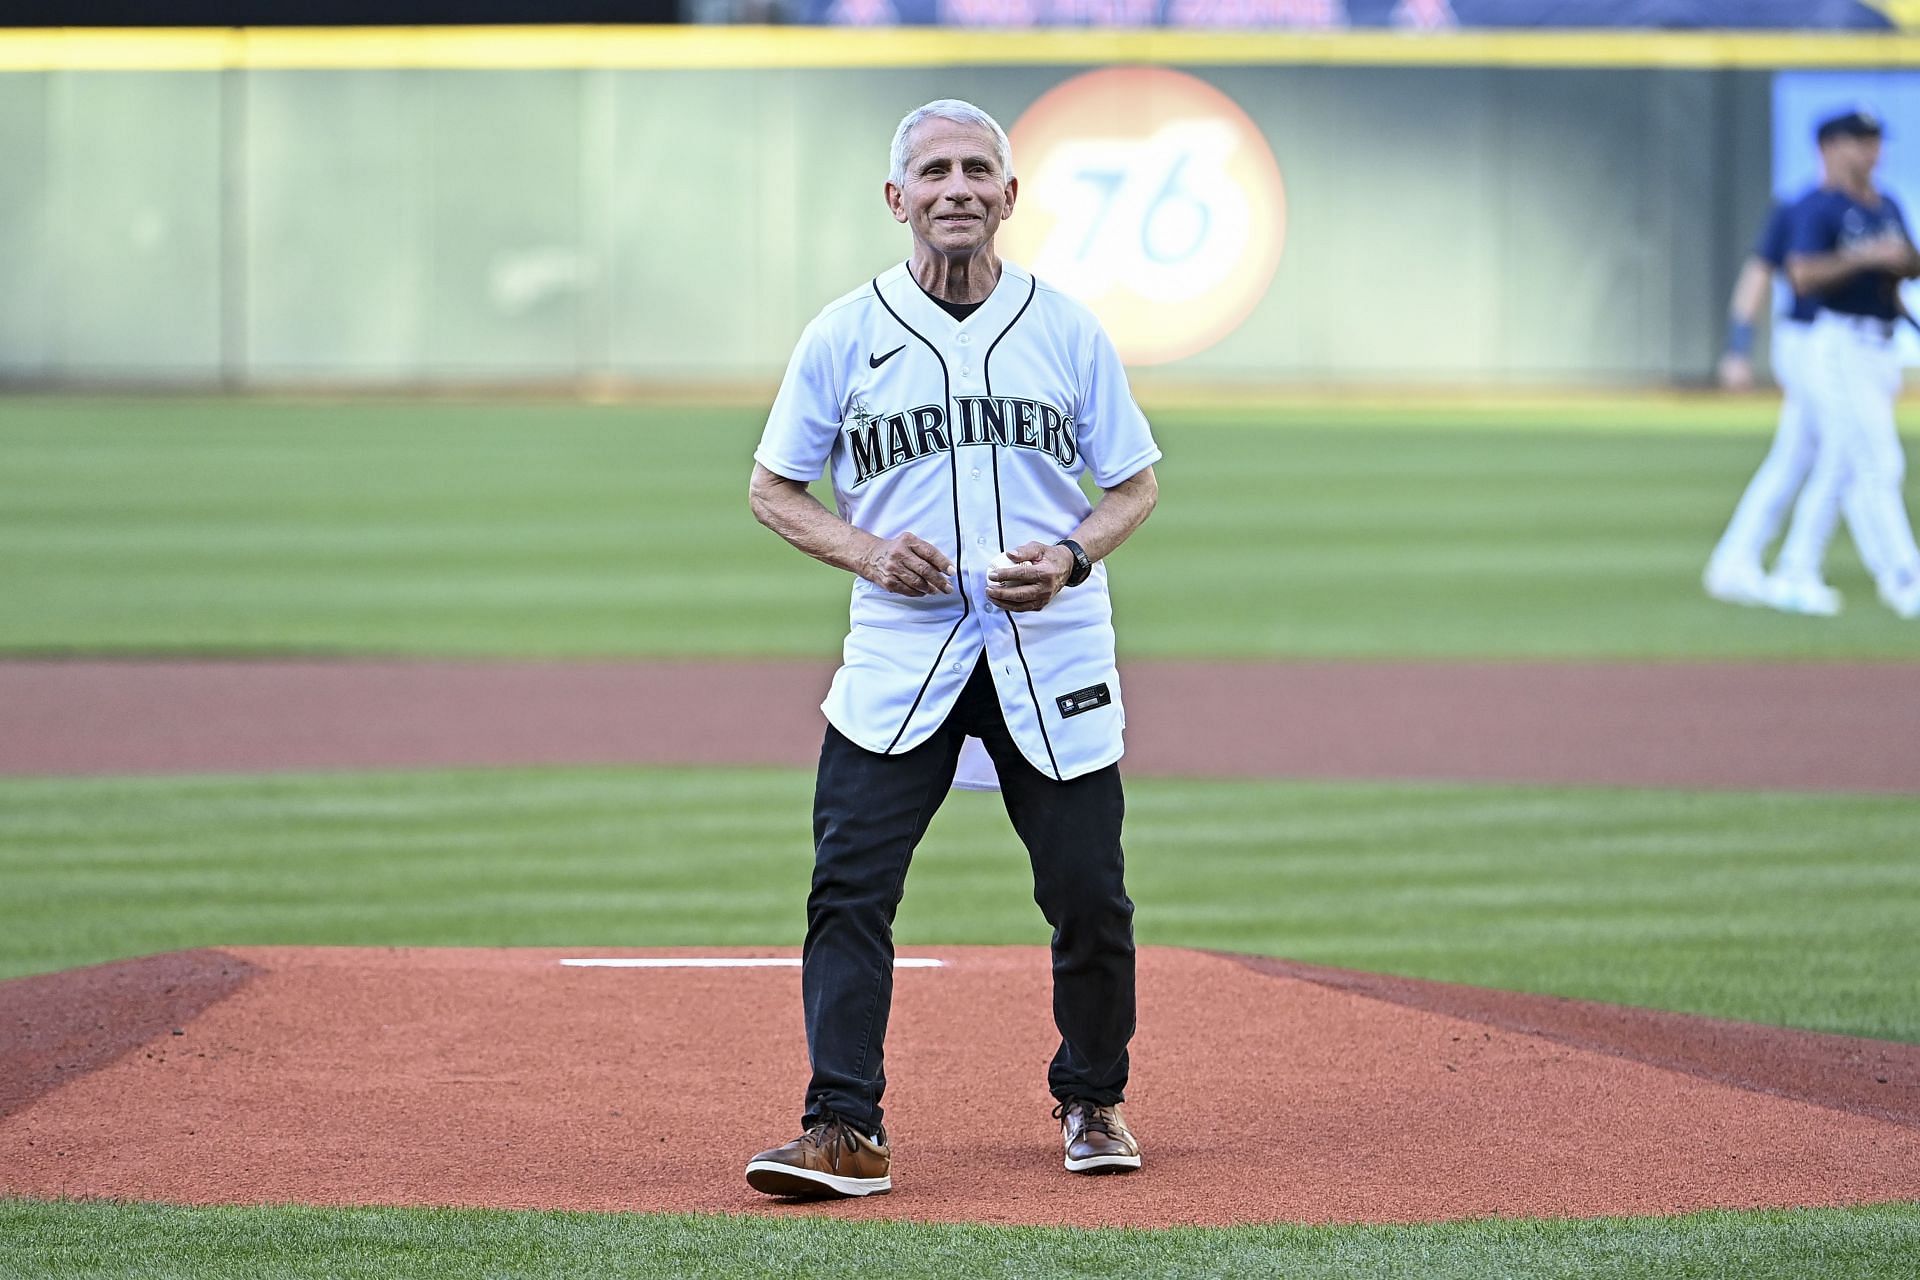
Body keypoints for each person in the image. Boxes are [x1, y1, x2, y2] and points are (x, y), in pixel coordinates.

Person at [742, 98, 1162, 1199]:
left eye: (980, 168)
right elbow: (772, 488)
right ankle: (843, 1125)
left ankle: (1094, 1094)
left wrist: (1071, 553)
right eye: (934, 171)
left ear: (1011, 195)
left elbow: (1135, 483)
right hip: (902, 649)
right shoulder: (845, 331)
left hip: (1052, 643)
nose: (959, 188)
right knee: (848, 886)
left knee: (1089, 894)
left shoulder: (1066, 328)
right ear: (898, 198)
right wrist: (866, 552)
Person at [1771, 107, 1920, 619]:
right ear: (1831, 147)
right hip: (1837, 343)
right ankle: (1904, 577)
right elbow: (1802, 275)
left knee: (1840, 462)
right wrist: (1866, 257)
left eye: (1875, 140)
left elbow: (1907, 269)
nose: (1871, 150)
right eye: (1859, 140)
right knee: (1879, 462)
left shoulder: (1887, 205)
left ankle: (1795, 565)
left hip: (1882, 344)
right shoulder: (1820, 207)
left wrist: (1898, 259)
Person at [1703, 189, 1828, 612]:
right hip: (1811, 343)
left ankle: (1737, 560)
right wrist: (1738, 348)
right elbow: (1757, 274)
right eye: (1860, 141)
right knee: (1855, 455)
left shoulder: (1877, 209)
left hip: (1860, 349)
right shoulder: (1800, 209)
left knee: (1796, 458)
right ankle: (1799, 567)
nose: (1872, 152)